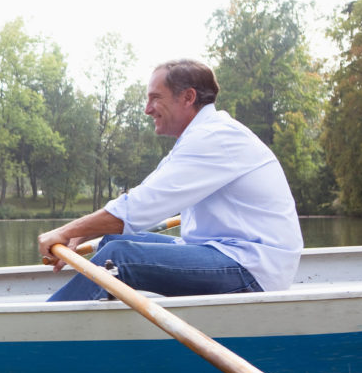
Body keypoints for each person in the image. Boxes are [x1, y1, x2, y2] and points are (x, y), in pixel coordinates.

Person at [38, 59, 303, 301]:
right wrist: (82, 232)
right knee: (110, 242)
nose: (147, 109)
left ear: (188, 97)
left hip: (252, 267)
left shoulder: (215, 138)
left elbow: (140, 208)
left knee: (119, 257)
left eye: (155, 98)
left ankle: (43, 329)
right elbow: (140, 199)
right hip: (228, 252)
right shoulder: (198, 138)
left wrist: (65, 231)